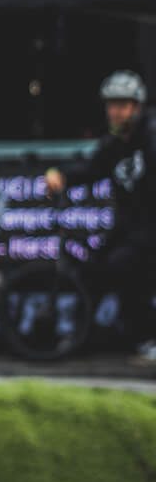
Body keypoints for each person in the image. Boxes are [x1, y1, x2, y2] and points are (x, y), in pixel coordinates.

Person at [45, 71, 156, 364]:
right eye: (111, 105)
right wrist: (63, 176)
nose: (116, 111)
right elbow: (92, 168)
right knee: (93, 268)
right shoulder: (116, 143)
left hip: (150, 227)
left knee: (126, 266)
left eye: (123, 105)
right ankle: (83, 337)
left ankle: (147, 339)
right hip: (129, 225)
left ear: (137, 107)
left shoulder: (151, 135)